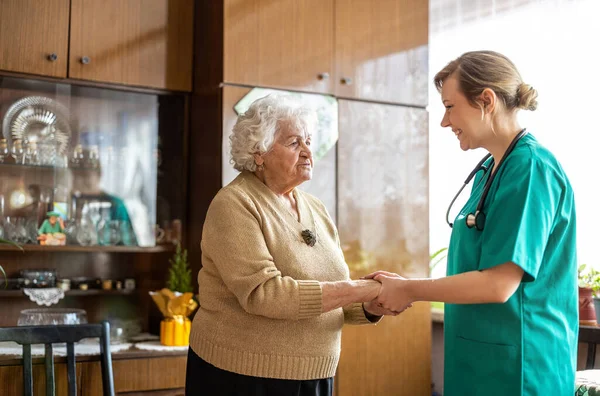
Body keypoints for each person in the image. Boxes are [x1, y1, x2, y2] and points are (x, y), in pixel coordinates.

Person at [366, 51, 577, 395]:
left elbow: (498, 284)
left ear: (486, 100)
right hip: (481, 360)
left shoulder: (530, 169)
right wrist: (405, 285)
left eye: (450, 106)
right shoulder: (489, 170)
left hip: (521, 368)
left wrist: (410, 289)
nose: (444, 122)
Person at [185, 95, 394, 396]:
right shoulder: (234, 204)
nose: (309, 151)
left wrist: (371, 305)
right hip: (244, 375)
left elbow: (335, 292)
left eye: (309, 141)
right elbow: (264, 293)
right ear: (259, 152)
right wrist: (361, 288)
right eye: (295, 142)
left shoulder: (315, 208)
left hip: (315, 375)